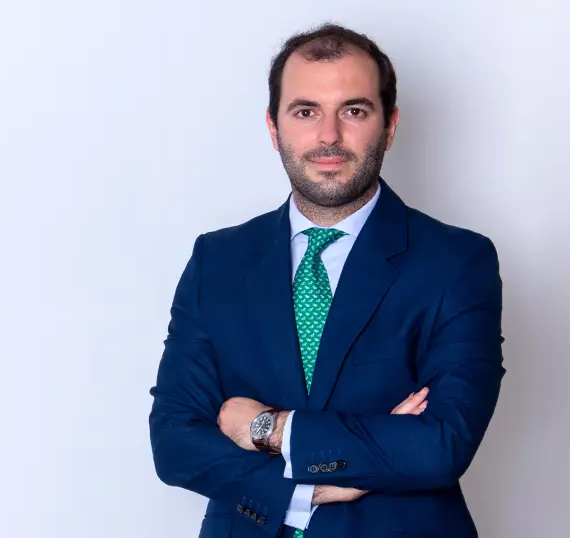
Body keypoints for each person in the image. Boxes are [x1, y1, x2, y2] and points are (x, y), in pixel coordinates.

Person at [149, 23, 505, 538]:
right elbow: (175, 442)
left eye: (354, 111)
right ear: (274, 127)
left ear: (390, 125)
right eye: (306, 111)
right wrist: (306, 490)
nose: (329, 136)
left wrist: (268, 428)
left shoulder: (457, 261)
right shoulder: (218, 260)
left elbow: (440, 446)